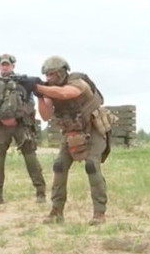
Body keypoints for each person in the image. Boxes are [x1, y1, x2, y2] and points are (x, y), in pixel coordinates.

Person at [31, 56, 112, 225]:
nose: (49, 78)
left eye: (52, 74)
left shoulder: (77, 81)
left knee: (92, 166)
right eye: (47, 75)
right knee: (59, 166)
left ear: (62, 72)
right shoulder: (50, 90)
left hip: (93, 130)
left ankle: (99, 213)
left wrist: (39, 87)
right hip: (71, 133)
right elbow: (45, 116)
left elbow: (67, 93)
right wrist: (39, 95)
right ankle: (56, 212)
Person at [0, 53, 46, 204]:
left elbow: (30, 105)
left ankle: (40, 192)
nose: (5, 67)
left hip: (20, 125)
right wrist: (1, 118)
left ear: (13, 66)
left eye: (7, 64)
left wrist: (15, 117)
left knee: (30, 156)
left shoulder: (22, 83)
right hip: (0, 127)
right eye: (2, 64)